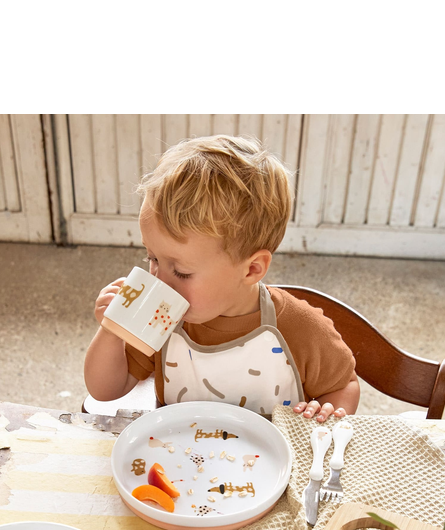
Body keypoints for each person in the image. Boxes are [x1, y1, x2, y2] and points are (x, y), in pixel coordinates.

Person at [84, 135, 359, 424]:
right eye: (152, 259)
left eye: (181, 272)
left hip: (269, 463)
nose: (159, 281)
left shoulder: (301, 328)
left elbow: (342, 385)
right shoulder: (159, 318)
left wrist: (329, 413)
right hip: (178, 457)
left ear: (252, 269)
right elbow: (106, 390)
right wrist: (112, 330)